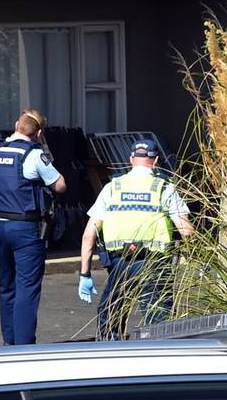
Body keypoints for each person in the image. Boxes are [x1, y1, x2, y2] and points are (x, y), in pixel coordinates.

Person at [79, 139, 194, 339]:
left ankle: (111, 355)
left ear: (131, 159)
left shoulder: (112, 188)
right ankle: (156, 358)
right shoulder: (164, 188)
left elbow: (88, 235)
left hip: (120, 263)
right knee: (158, 318)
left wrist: (85, 275)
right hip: (154, 264)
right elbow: (186, 231)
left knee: (111, 314)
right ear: (156, 160)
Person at [0, 109, 67, 345]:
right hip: (25, 228)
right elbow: (60, 185)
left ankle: (9, 341)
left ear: (15, 125)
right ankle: (23, 345)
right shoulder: (33, 155)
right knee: (27, 287)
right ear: (39, 133)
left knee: (7, 283)